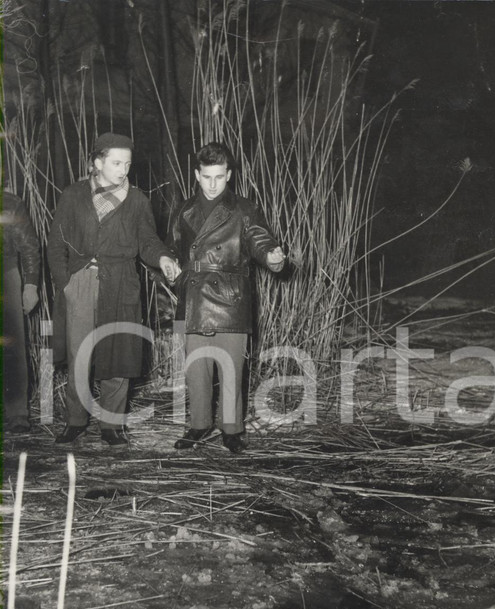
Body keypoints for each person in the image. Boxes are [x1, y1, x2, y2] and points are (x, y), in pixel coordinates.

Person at [47, 132, 180, 446]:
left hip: (121, 283)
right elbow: (55, 245)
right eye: (116, 162)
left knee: (118, 352)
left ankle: (112, 426)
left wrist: (162, 257)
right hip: (80, 281)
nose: (123, 169)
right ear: (97, 162)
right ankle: (76, 421)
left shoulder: (137, 201)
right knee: (80, 353)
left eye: (127, 163)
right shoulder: (73, 195)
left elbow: (147, 241)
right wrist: (64, 283)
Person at [169, 142, 285, 454]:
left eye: (219, 177)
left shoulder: (244, 209)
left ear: (229, 174)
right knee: (197, 369)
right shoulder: (183, 210)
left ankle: (232, 430)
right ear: (196, 174)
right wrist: (172, 271)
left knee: (232, 368)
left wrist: (273, 256)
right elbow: (173, 249)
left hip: (231, 299)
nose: (212, 184)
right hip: (193, 298)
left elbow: (259, 238)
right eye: (206, 177)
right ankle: (198, 425)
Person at [2, 191, 41, 433]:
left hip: (5, 272)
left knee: (12, 346)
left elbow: (28, 245)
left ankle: (17, 413)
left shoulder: (10, 203)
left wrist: (31, 285)